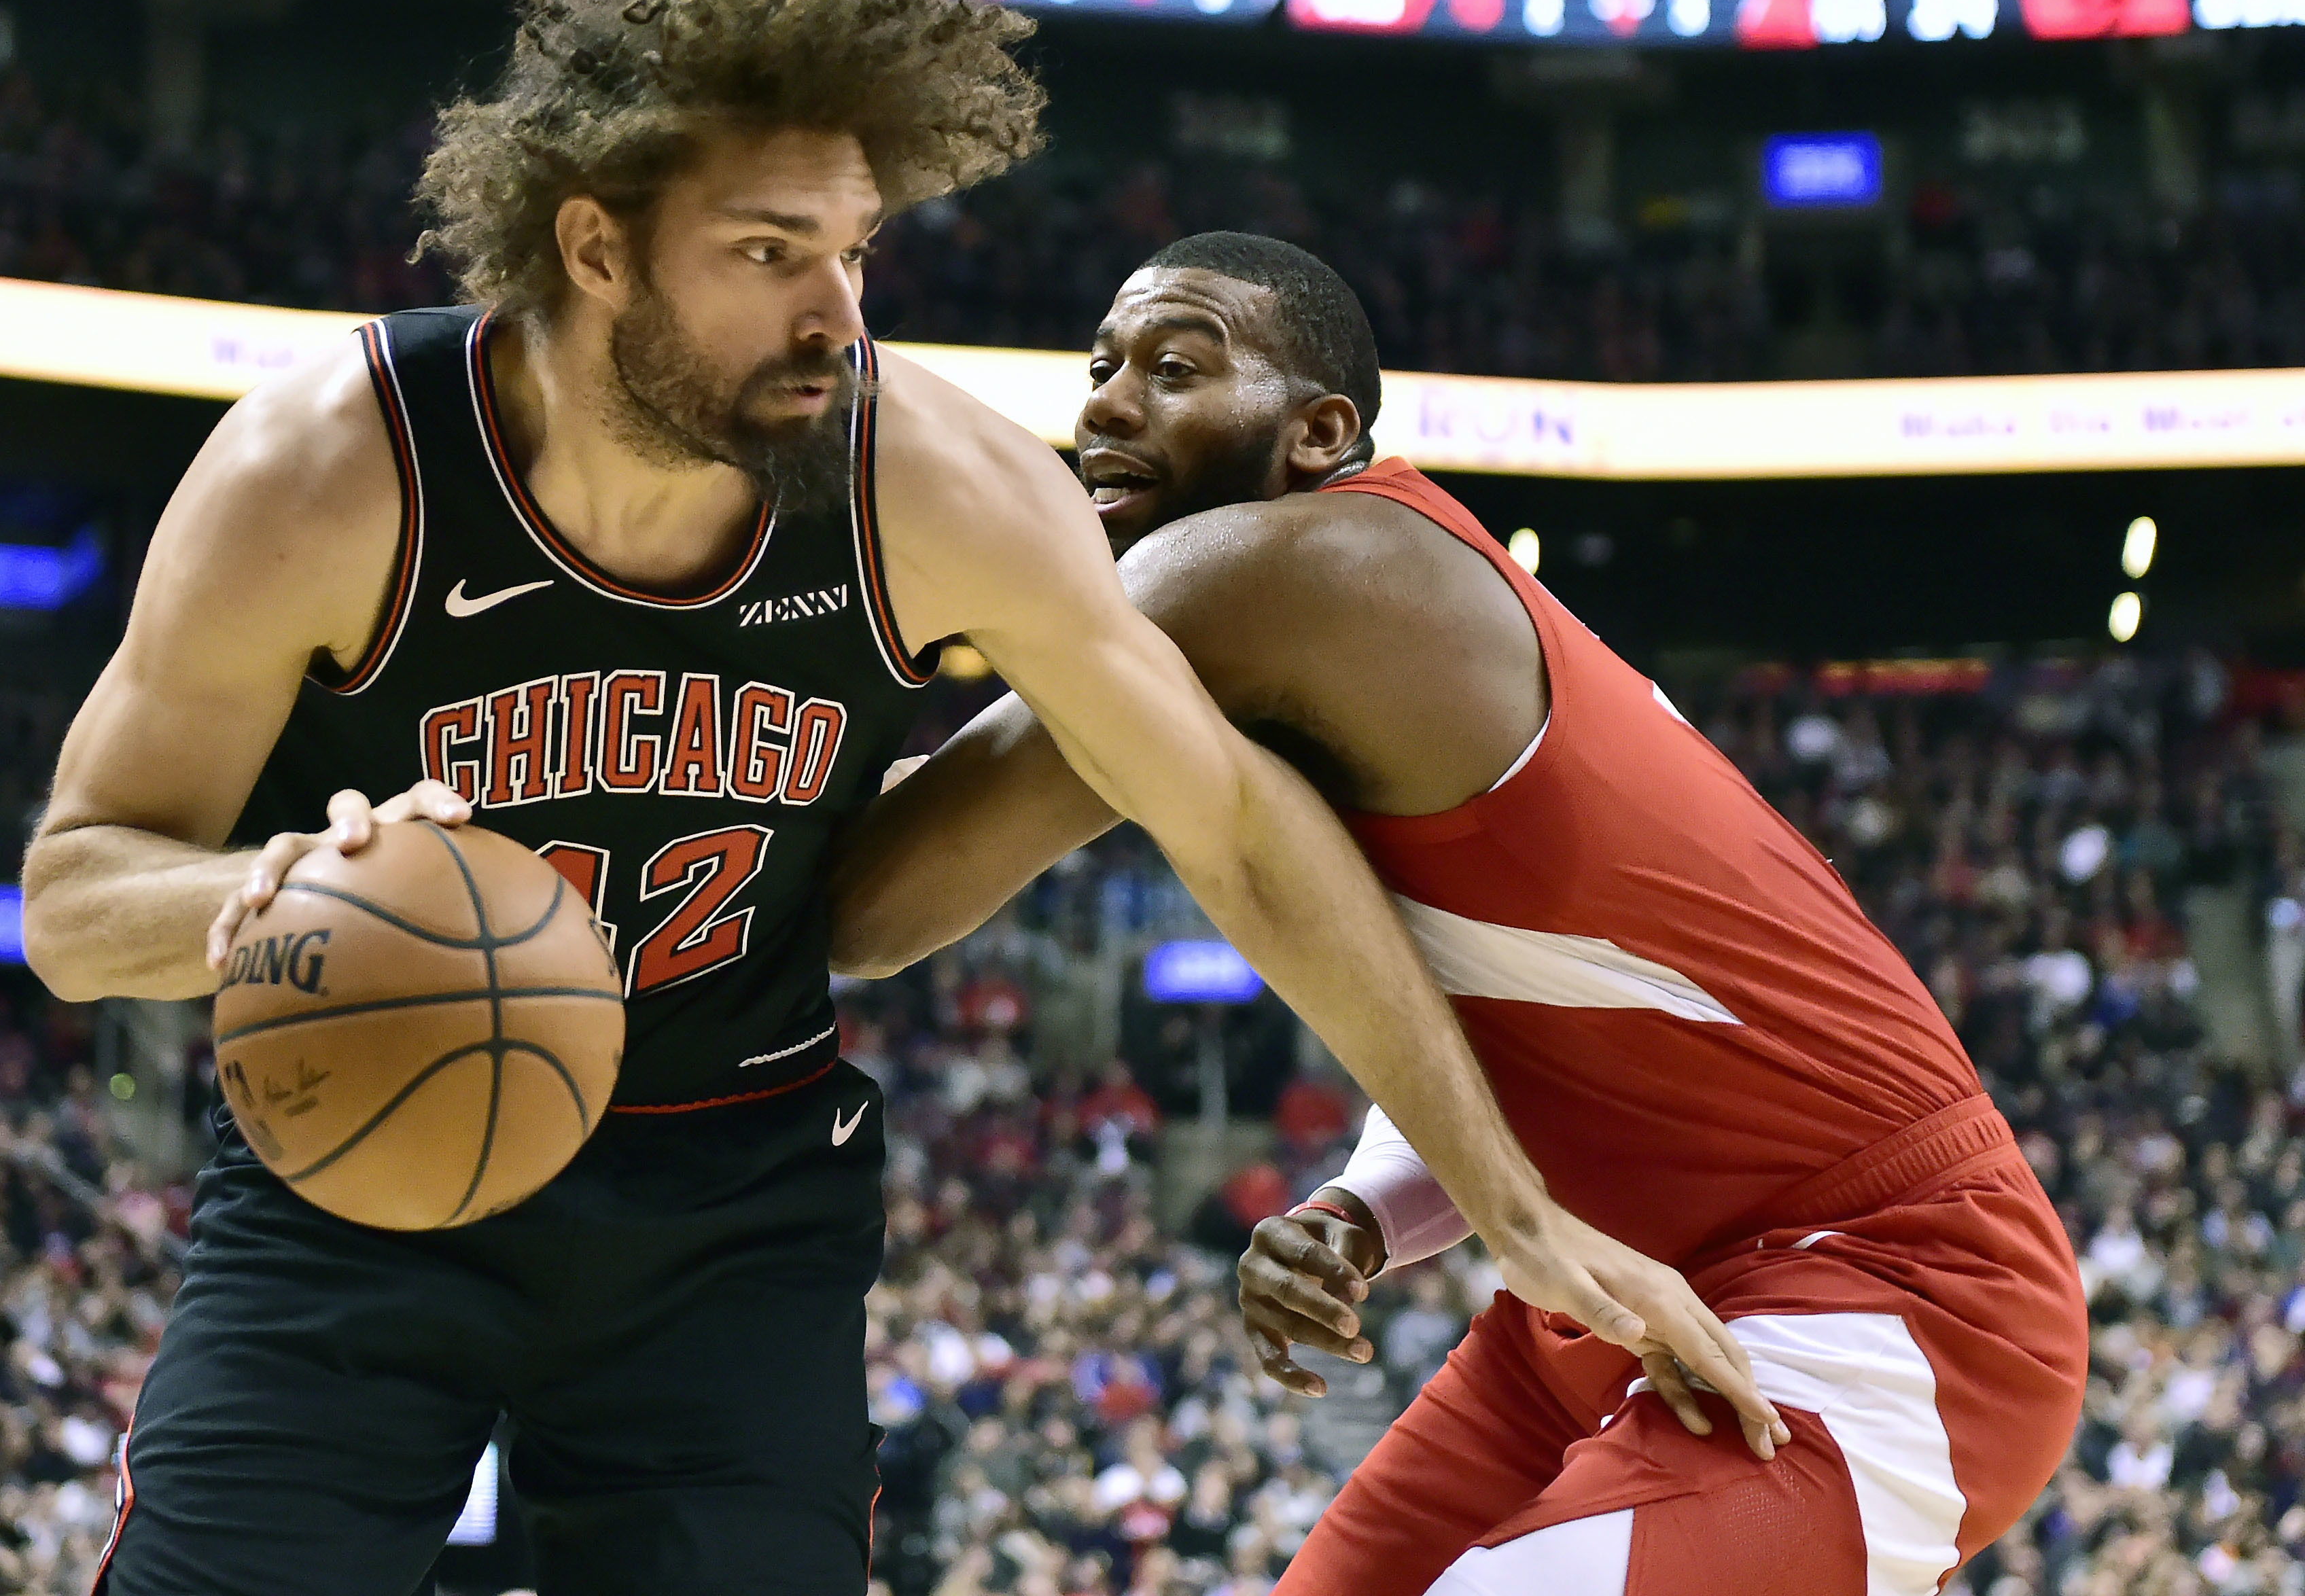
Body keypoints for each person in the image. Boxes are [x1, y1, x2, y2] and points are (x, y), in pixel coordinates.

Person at [18, 0, 1765, 1596]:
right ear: (593, 242)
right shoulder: (332, 467)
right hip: (355, 1178)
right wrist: (269, 892)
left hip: (726, 1201)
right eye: (772, 253)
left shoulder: (928, 482)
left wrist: (1514, 1211)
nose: (837, 313)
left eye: (853, 249)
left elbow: (1228, 823)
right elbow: (73, 896)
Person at [828, 232, 2090, 1595]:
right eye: (1102, 366)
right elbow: (1510, 1005)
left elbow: (884, 900)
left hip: (1885, 1286)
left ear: (1320, 434)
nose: (1109, 405)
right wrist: (1369, 1208)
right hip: (1607, 1296)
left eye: (1176, 367)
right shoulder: (1338, 597)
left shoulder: (1271, 571)